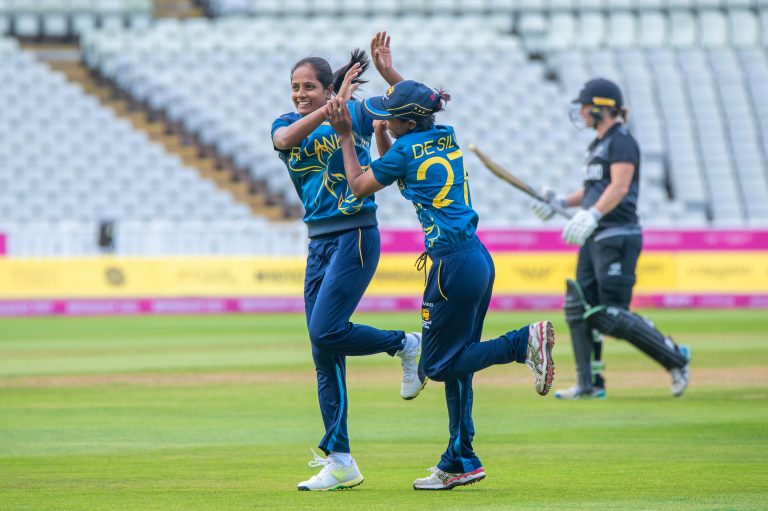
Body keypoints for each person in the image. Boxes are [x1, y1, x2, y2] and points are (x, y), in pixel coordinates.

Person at [325, 78, 556, 490]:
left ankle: (522, 343)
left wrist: (346, 135)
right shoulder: (443, 134)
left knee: (437, 365)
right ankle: (460, 459)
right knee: (459, 364)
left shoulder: (405, 149)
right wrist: (390, 90)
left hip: (451, 266)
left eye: (392, 117)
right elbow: (404, 160)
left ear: (411, 123)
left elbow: (359, 186)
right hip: (475, 258)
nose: (385, 120)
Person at [271, 46, 426, 492]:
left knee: (324, 331)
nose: (300, 94)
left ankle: (406, 344)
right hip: (318, 243)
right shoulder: (286, 123)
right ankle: (340, 462)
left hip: (355, 233)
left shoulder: (354, 114)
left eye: (309, 87)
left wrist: (388, 74)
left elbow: (412, 104)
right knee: (323, 351)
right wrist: (329, 108)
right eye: (295, 87)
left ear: (326, 88)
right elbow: (284, 141)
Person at [530, 78, 691, 399]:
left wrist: (593, 214)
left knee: (610, 315)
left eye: (585, 106)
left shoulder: (622, 141)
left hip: (618, 234)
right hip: (595, 235)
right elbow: (593, 190)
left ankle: (676, 358)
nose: (581, 112)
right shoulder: (597, 145)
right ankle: (589, 385)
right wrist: (561, 201)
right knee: (578, 307)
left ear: (601, 108)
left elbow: (619, 186)